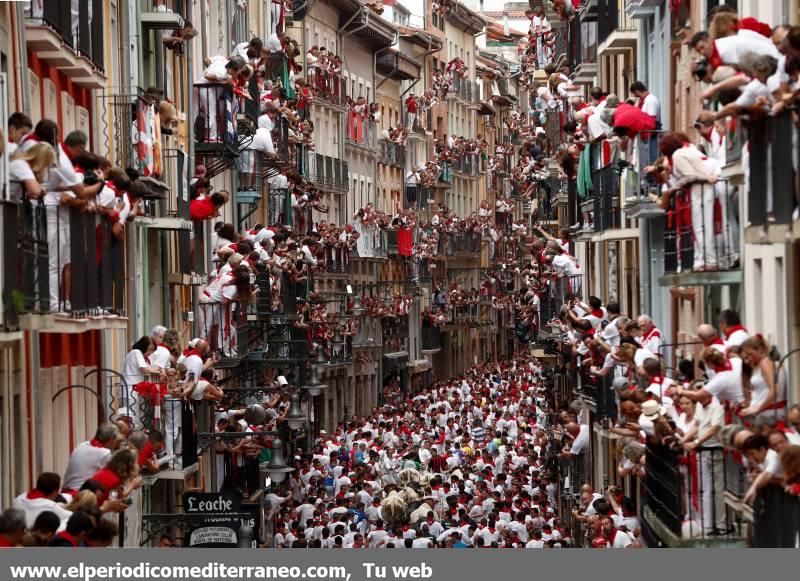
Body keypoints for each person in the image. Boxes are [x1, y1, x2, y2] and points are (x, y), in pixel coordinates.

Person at [61, 423, 119, 495]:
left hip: (64, 492)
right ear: (111, 439)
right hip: (81, 495)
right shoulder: (105, 453)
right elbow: (113, 477)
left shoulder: (82, 445)